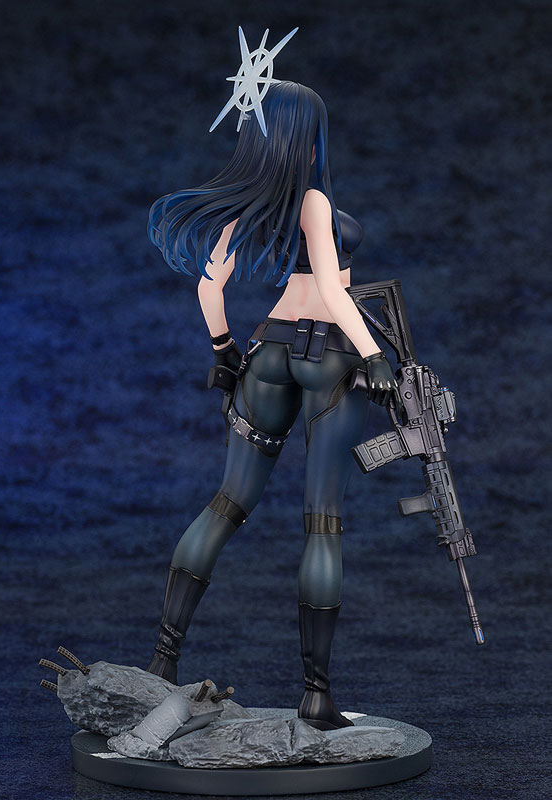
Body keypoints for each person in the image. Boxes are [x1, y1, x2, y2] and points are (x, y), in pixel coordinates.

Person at [146, 76, 401, 731]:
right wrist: (374, 354)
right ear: (303, 138)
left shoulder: (252, 202)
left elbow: (209, 288)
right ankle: (316, 696)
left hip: (267, 353)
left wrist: (224, 349)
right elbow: (334, 292)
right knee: (322, 523)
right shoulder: (313, 199)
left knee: (225, 506)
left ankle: (161, 666)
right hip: (331, 361)